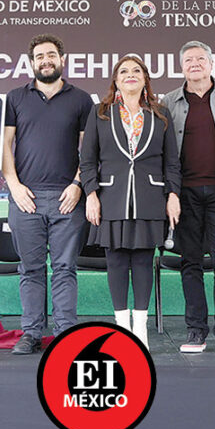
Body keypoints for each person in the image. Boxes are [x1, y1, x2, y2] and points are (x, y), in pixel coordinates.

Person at [80, 55, 181, 348]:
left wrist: (173, 195)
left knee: (143, 261)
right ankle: (121, 328)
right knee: (116, 261)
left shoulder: (160, 114)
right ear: (116, 79)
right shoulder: (100, 113)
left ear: (145, 78)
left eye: (136, 70)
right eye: (123, 71)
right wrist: (91, 194)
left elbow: (171, 162)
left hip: (150, 197)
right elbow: (87, 160)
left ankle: (141, 330)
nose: (130, 75)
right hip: (111, 197)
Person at [3, 34, 93, 355]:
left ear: (62, 59)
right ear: (32, 62)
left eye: (51, 55)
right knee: (30, 269)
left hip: (67, 198)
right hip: (25, 198)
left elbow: (90, 150)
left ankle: (65, 333)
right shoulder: (15, 98)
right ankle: (31, 333)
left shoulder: (81, 100)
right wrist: (14, 186)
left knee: (65, 268)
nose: (46, 60)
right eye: (40, 56)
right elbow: (4, 146)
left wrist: (77, 185)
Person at [161, 40, 215, 354]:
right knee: (191, 262)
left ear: (212, 64)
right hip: (184, 193)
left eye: (200, 59)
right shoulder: (169, 101)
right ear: (181, 67)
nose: (194, 64)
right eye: (188, 60)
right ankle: (195, 331)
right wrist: (169, 192)